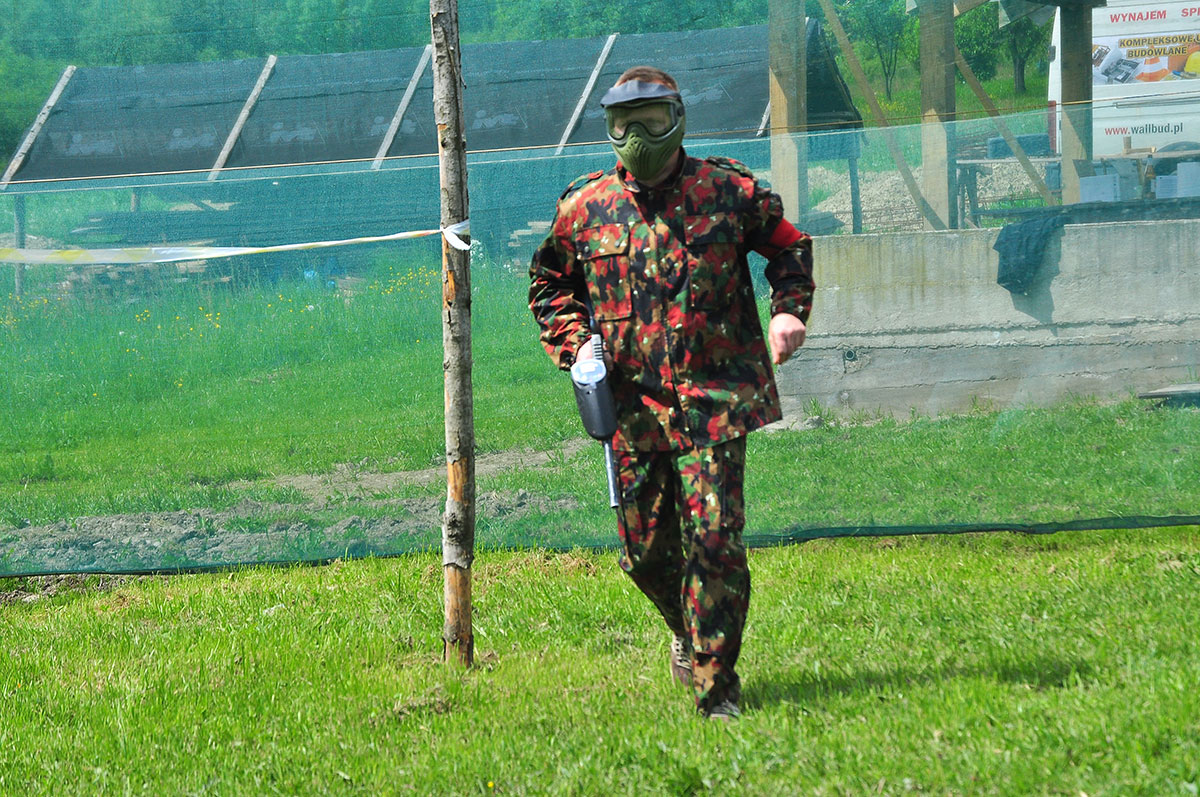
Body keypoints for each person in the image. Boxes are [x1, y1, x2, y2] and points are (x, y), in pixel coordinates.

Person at [528, 66, 814, 720]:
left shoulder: (727, 192)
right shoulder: (585, 208)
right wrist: (578, 345)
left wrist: (787, 311)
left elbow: (789, 249)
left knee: (714, 543)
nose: (636, 136)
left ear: (677, 119)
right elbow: (549, 284)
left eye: (650, 120)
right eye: (622, 123)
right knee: (644, 553)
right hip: (634, 409)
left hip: (716, 400)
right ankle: (686, 629)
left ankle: (717, 690)